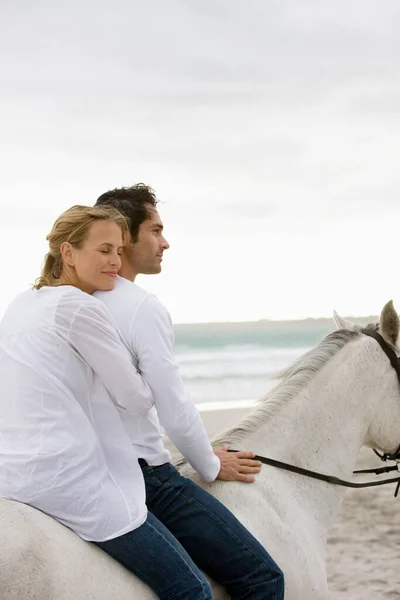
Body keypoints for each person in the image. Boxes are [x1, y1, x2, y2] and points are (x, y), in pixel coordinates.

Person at [0, 205, 214, 599]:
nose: (115, 261)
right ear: (67, 253)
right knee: (192, 589)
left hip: (12, 476)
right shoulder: (80, 306)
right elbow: (135, 399)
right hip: (70, 482)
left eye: (118, 250)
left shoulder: (20, 303)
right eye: (104, 250)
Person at [94, 185, 285, 599]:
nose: (165, 242)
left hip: (84, 467)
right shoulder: (141, 307)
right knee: (264, 578)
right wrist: (209, 463)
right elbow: (173, 405)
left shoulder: (72, 301)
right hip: (144, 477)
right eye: (156, 230)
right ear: (124, 237)